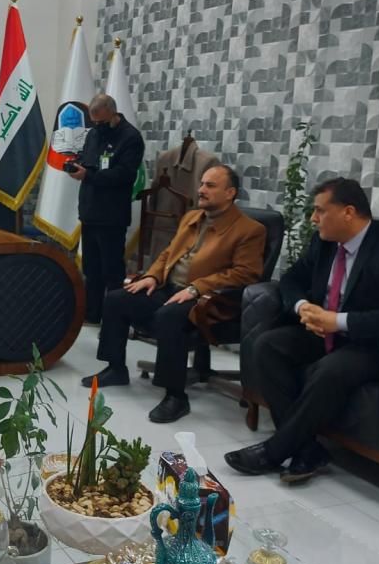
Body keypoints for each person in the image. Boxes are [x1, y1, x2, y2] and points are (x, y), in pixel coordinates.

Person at [224, 177, 379, 484]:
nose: (313, 219)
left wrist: (339, 321)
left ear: (348, 212)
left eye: (320, 210)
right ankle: (307, 450)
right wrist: (303, 306)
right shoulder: (325, 242)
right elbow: (292, 279)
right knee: (267, 346)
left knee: (330, 370)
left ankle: (274, 451)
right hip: (322, 332)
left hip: (368, 343)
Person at [81, 165, 265, 424]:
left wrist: (196, 288)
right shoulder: (192, 217)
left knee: (168, 316)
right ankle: (116, 368)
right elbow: (169, 252)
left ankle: (175, 396)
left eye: (210, 185)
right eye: (202, 183)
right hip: (169, 288)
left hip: (207, 300)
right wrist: (152, 276)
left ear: (230, 193)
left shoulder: (250, 229)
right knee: (117, 299)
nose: (201, 190)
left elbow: (246, 274)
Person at [67, 94, 145, 324]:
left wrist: (88, 176)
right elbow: (89, 160)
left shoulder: (130, 137)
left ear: (113, 113)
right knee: (91, 269)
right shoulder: (93, 134)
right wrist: (76, 166)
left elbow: (125, 174)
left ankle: (114, 319)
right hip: (90, 211)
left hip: (112, 215)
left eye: (101, 121)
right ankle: (92, 314)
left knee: (112, 270)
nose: (97, 126)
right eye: (94, 122)